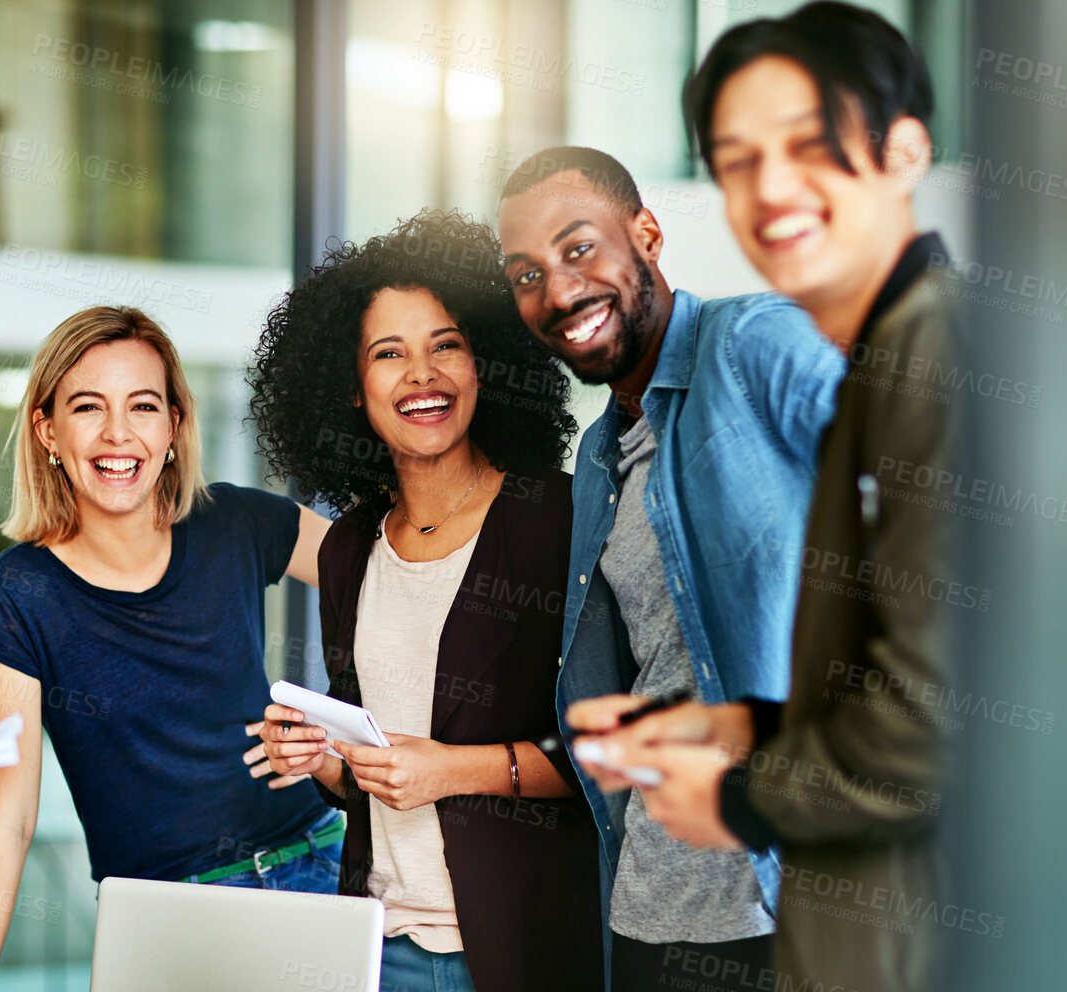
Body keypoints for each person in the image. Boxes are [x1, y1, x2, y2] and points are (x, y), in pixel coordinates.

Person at [573, 6, 961, 990]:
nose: (771, 186)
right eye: (737, 158)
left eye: (808, 143)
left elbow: (941, 720)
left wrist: (741, 793)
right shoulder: (876, 363)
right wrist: (738, 727)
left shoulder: (934, 363)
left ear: (904, 149)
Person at [494, 146, 847, 991]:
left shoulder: (754, 343)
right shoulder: (596, 456)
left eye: (578, 249)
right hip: (649, 901)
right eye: (526, 273)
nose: (558, 291)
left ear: (644, 233)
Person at [251, 209, 600, 992]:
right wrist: (325, 757)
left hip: (523, 948)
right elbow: (370, 765)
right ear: (349, 389)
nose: (421, 374)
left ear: (485, 362)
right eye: (388, 353)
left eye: (445, 343)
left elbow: (613, 751)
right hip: (381, 947)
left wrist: (454, 769)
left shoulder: (560, 520)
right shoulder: (348, 549)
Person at [0, 306, 338, 992]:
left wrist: (341, 728)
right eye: (86, 407)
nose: (116, 433)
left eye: (141, 406)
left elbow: (395, 578)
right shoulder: (16, 594)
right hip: (161, 921)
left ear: (172, 428)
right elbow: (6, 826)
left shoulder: (237, 522)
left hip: (316, 876)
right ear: (46, 431)